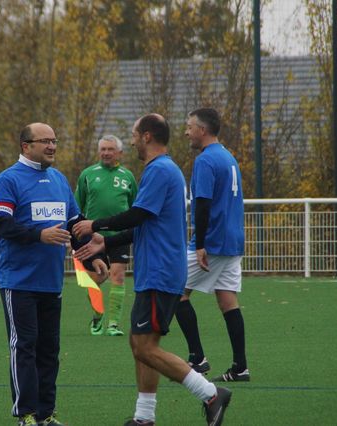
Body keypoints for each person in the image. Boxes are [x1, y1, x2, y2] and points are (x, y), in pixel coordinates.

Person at [73, 114, 232, 426]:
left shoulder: (160, 170)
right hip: (155, 271)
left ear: (146, 136)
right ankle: (144, 417)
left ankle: (211, 394)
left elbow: (138, 214)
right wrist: (105, 243)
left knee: (145, 347)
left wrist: (96, 225)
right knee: (139, 344)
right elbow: (143, 225)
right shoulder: (160, 170)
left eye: (134, 135)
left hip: (161, 271)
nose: (132, 141)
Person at [0, 122, 109, 426]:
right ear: (26, 146)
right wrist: (39, 235)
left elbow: (75, 224)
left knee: (49, 350)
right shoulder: (7, 180)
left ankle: (46, 413)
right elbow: (0, 224)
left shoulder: (59, 179)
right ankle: (26, 414)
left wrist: (93, 256)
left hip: (51, 282)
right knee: (24, 347)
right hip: (19, 281)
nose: (52, 146)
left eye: (54, 140)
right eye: (45, 141)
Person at [175, 108, 250, 383]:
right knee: (227, 300)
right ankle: (240, 367)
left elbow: (203, 204)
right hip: (233, 240)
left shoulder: (205, 160)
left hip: (213, 241)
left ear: (202, 130)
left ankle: (197, 357)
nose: (186, 132)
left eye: (189, 127)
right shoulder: (228, 156)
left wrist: (200, 244)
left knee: (175, 291)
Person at [75, 135, 138, 336]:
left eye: (110, 149)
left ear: (120, 152)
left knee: (117, 276)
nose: (106, 153)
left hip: (119, 236)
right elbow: (77, 207)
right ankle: (97, 315)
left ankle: (113, 325)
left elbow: (135, 207)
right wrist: (75, 236)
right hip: (92, 238)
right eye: (103, 149)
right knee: (96, 279)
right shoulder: (87, 174)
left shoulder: (128, 177)